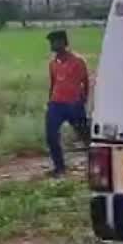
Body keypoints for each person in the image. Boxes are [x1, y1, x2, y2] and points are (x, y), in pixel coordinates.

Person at [46, 29, 91, 177]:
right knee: (51, 136)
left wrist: (83, 99)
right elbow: (53, 83)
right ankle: (59, 168)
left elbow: (85, 82)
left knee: (85, 136)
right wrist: (50, 100)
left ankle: (94, 165)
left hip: (74, 104)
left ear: (64, 43)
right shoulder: (53, 63)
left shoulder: (78, 61)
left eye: (56, 41)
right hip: (56, 104)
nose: (53, 45)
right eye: (51, 42)